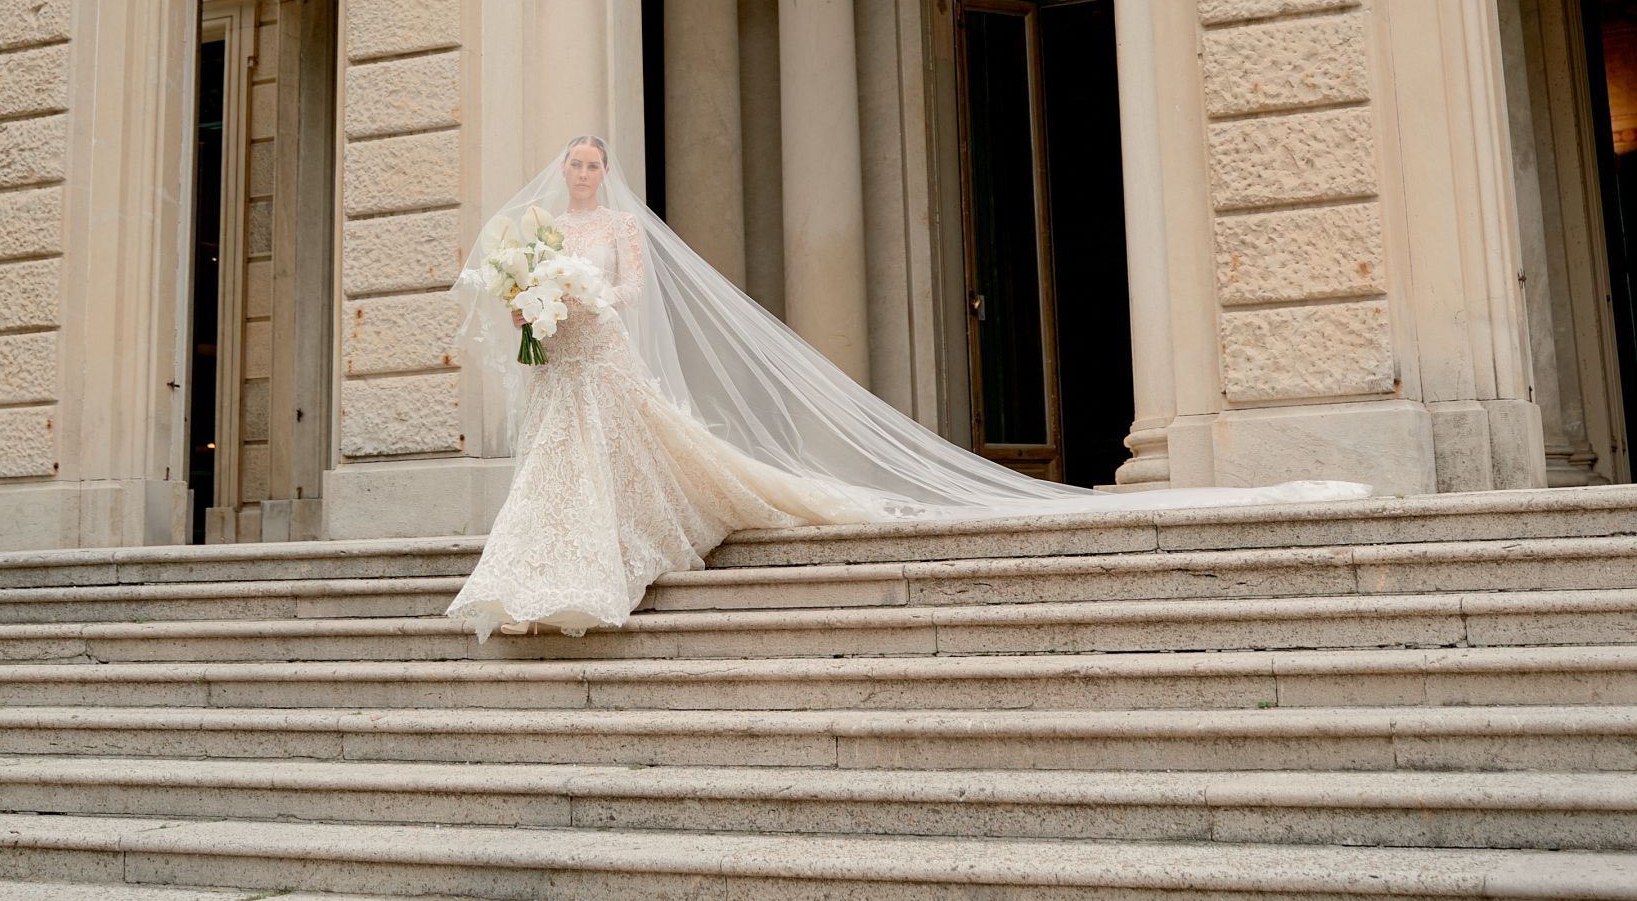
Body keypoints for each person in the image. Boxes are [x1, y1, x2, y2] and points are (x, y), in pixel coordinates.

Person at [447, 135, 1367, 641]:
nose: (580, 174)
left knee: (622, 449)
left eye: (590, 164)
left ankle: (612, 549)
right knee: (559, 458)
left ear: (605, 172)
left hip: (599, 346)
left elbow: (637, 292)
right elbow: (516, 294)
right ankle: (535, 567)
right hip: (560, 361)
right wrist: (540, 305)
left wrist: (589, 296)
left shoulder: (618, 228)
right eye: (572, 164)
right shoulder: (534, 232)